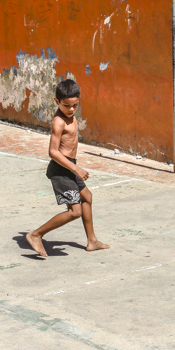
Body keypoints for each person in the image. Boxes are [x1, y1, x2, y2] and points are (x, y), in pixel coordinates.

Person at [25, 79, 109, 258]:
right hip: (61, 170)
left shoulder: (72, 117)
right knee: (74, 211)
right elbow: (53, 152)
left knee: (87, 197)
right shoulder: (58, 122)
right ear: (57, 102)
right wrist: (76, 169)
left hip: (70, 167)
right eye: (66, 105)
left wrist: (74, 167)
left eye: (75, 105)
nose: (71, 109)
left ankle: (92, 241)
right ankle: (36, 235)